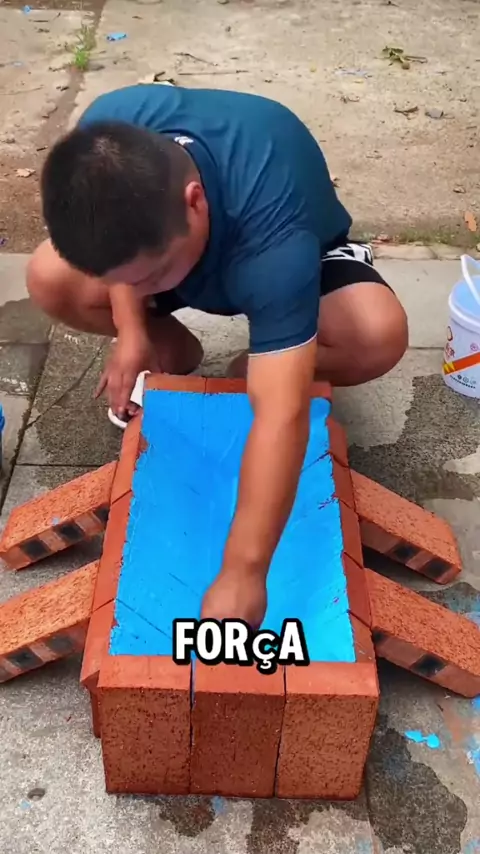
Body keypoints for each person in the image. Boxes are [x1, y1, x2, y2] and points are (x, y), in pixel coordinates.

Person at [27, 84, 408, 630]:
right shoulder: (106, 139)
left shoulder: (277, 243)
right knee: (48, 276)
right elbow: (125, 266)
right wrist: (131, 330)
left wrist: (244, 572)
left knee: (376, 335)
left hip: (293, 255)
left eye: (152, 275)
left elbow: (281, 417)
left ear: (195, 200)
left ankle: (260, 362)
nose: (140, 288)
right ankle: (175, 353)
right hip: (184, 250)